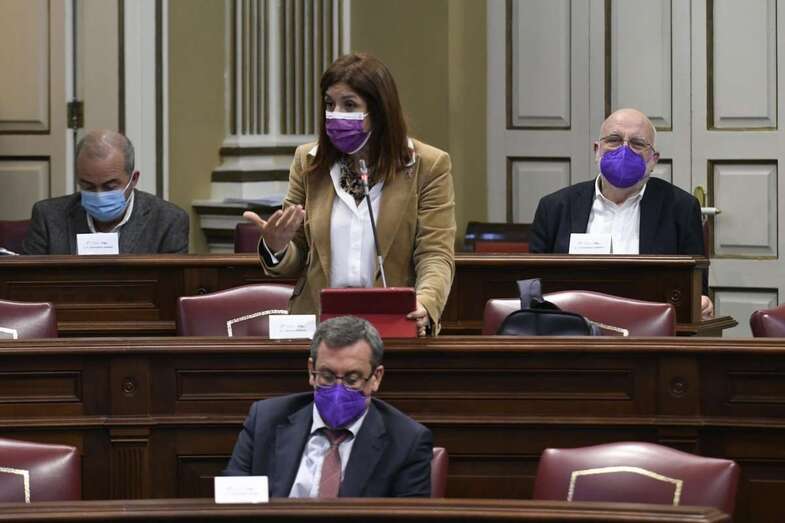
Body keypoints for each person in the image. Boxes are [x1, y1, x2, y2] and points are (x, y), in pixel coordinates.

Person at [243, 53, 456, 336]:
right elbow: (297, 258)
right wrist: (278, 247)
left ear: (379, 111)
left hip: (391, 324)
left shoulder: (428, 166)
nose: (336, 115)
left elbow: (435, 254)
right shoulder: (308, 162)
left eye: (350, 105)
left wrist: (426, 304)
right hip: (319, 327)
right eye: (330, 104)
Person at [529, 108, 714, 319]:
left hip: (648, 331)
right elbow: (533, 287)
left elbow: (696, 289)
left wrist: (701, 301)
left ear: (654, 159)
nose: (624, 150)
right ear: (597, 150)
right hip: (570, 328)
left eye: (637, 144)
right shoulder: (555, 207)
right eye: (614, 140)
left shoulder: (680, 208)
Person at [223, 315, 433, 498]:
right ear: (311, 370)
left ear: (376, 378)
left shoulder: (407, 441)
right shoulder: (265, 420)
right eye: (327, 376)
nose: (338, 390)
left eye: (352, 379)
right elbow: (233, 502)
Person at [22, 129, 189, 255]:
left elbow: (171, 291)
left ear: (134, 179)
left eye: (110, 187)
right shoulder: (48, 217)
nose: (99, 195)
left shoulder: (168, 221)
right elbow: (27, 286)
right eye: (88, 186)